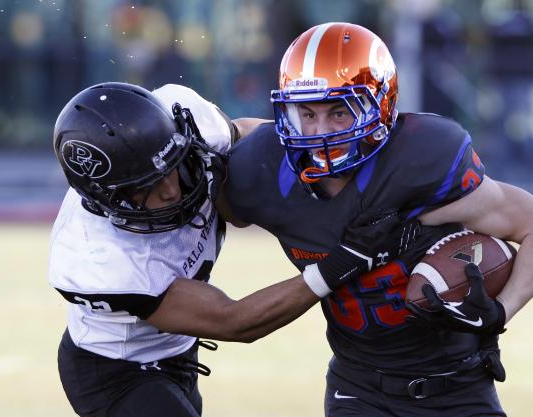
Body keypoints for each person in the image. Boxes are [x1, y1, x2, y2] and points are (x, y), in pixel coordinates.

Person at [224, 22, 533, 416]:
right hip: (359, 388)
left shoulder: (421, 162)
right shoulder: (264, 171)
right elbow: (239, 159)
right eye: (307, 113)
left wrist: (501, 311)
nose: (319, 132)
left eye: (339, 112)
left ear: (380, 105)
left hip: (458, 385)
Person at [48, 82, 421, 417]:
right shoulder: (94, 257)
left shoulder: (189, 122)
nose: (170, 190)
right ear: (104, 198)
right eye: (142, 188)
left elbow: (255, 145)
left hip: (180, 352)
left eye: (172, 167)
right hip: (116, 371)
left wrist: (336, 168)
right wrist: (342, 262)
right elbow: (234, 320)